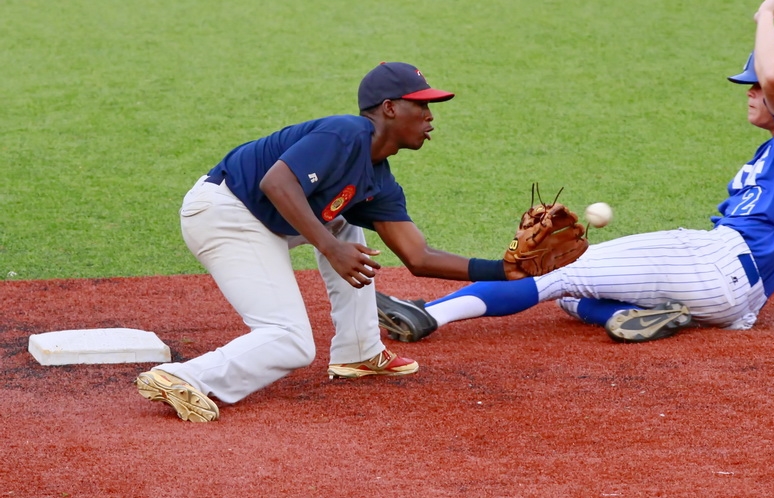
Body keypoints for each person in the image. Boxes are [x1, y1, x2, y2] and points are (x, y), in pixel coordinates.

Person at [376, 0, 774, 345]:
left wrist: (765, 16)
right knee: (575, 297)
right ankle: (623, 316)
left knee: (556, 269)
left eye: (755, 85)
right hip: (737, 301)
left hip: (715, 263)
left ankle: (430, 313)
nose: (751, 91)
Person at [135, 62, 527, 422]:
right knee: (292, 341)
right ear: (389, 108)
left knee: (345, 229)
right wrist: (328, 247)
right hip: (225, 213)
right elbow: (276, 183)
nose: (430, 116)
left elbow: (418, 256)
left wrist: (504, 270)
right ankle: (181, 377)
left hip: (265, 220)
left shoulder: (380, 181)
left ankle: (359, 351)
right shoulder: (345, 133)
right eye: (420, 106)